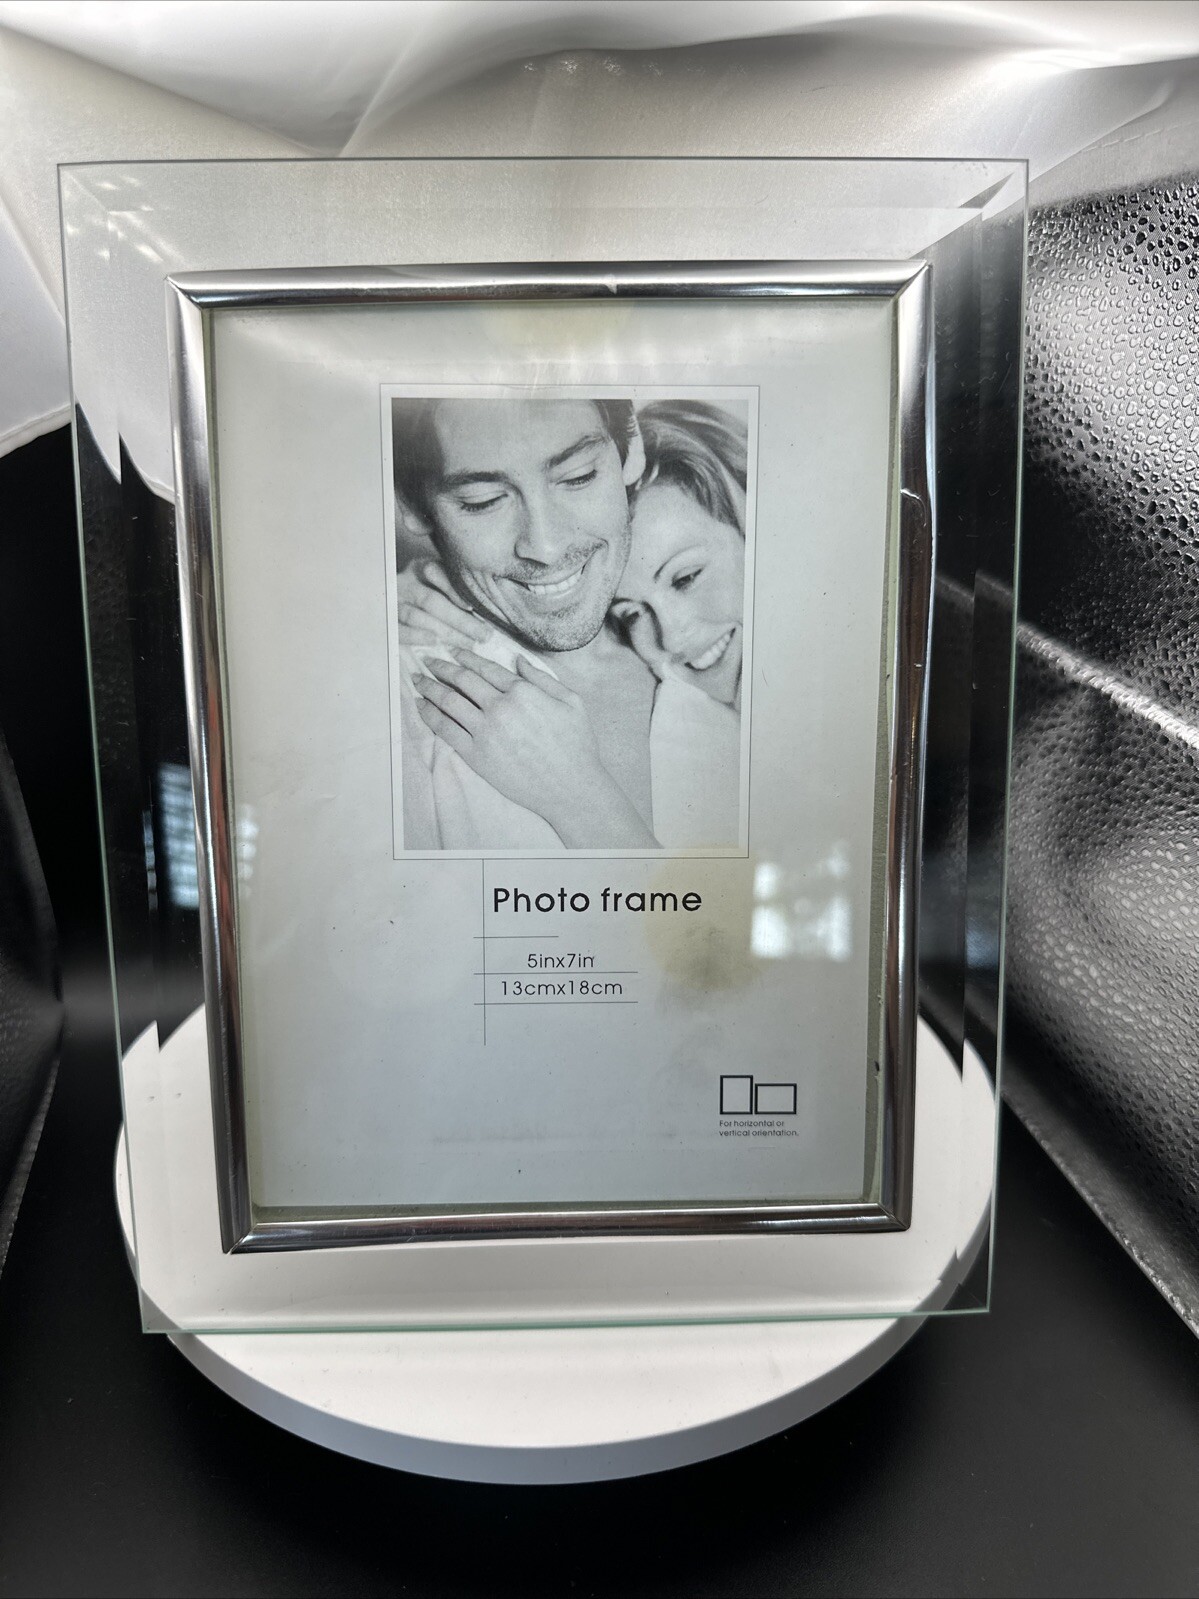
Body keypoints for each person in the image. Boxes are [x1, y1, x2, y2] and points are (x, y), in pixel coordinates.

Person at [393, 396, 744, 851]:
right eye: (484, 502)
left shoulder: (709, 685)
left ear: (630, 452)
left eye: (578, 476)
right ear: (413, 507)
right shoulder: (395, 686)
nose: (546, 547)